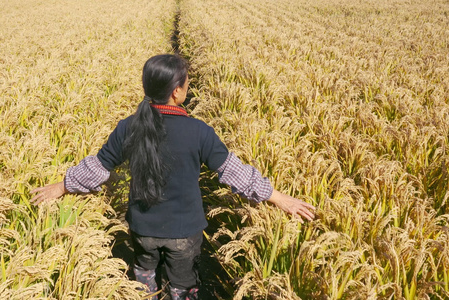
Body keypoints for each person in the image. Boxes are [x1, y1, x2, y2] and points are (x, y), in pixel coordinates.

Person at [30, 54, 315, 299]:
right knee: (182, 285)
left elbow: (99, 167)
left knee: (144, 273)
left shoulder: (129, 127)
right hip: (184, 232)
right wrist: (281, 199)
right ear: (177, 92)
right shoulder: (199, 132)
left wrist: (62, 186)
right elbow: (235, 173)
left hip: (142, 229)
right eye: (187, 83)